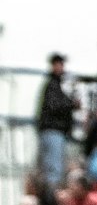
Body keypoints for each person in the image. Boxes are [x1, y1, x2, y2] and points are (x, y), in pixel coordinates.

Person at [36, 53, 75, 189]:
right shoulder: (53, 86)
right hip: (53, 131)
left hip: (53, 131)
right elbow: (54, 106)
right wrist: (71, 104)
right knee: (53, 171)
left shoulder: (55, 85)